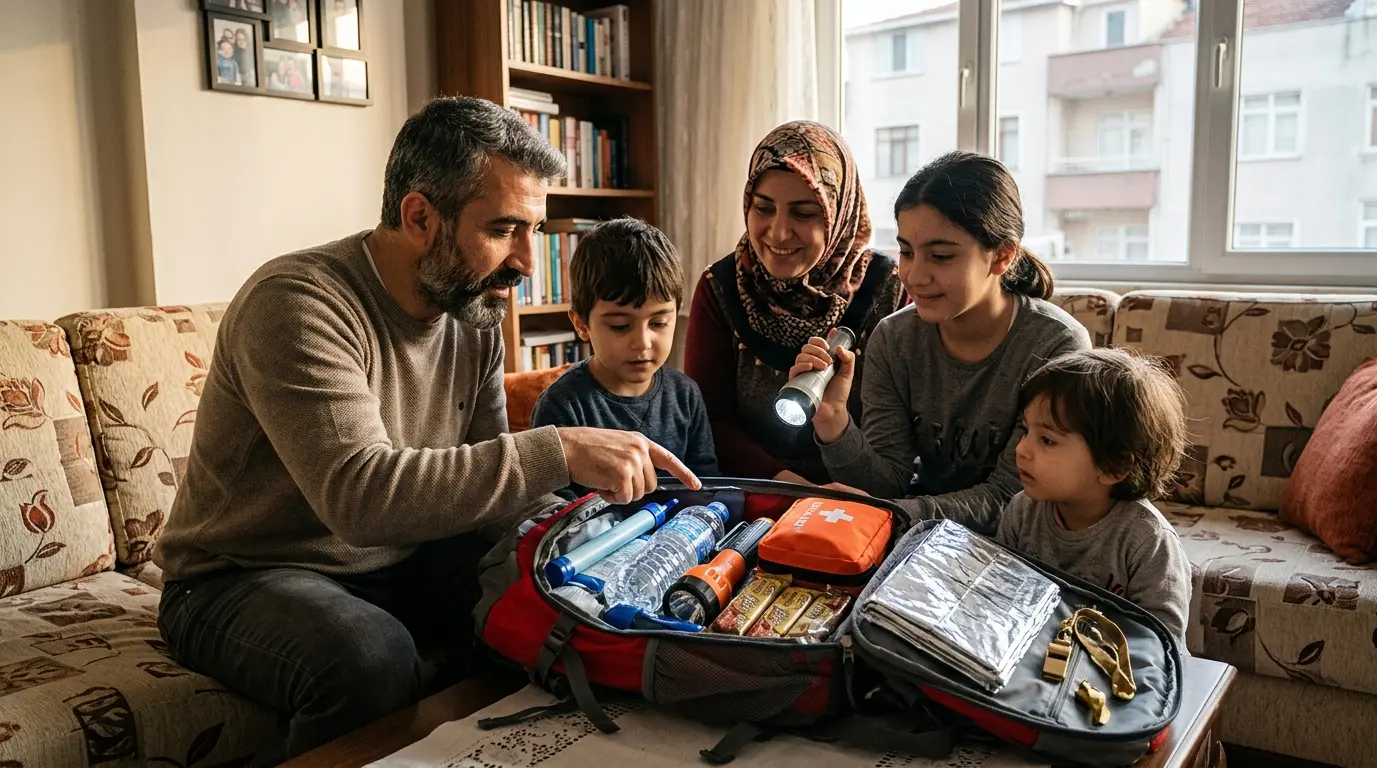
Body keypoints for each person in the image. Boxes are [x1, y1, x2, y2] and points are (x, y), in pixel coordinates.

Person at [153, 97, 700, 760]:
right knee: (369, 655)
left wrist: (596, 542)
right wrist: (559, 449)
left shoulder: (472, 312)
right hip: (241, 576)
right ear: (419, 217)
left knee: (551, 592)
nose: (528, 262)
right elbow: (361, 497)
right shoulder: (297, 303)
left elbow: (497, 492)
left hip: (400, 558)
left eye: (534, 230)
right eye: (504, 230)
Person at [793, 151, 1090, 532]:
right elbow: (888, 482)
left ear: (1002, 255)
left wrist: (896, 515)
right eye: (905, 251)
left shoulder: (1056, 346)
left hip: (1023, 545)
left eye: (941, 256)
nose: (914, 275)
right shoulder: (894, 338)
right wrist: (834, 424)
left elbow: (1013, 500)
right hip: (923, 539)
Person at [685, 121, 906, 485]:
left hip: (864, 495)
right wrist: (787, 484)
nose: (778, 232)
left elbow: (898, 439)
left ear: (839, 214)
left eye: (803, 213)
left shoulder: (889, 290)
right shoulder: (722, 287)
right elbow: (709, 419)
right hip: (754, 493)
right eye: (763, 208)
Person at [997, 348, 1193, 650]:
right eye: (1026, 431)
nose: (1022, 449)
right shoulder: (1022, 511)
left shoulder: (1148, 542)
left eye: (1047, 440)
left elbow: (1161, 647)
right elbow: (1000, 606)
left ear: (1112, 467)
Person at [532, 218, 719, 497]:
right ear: (581, 324)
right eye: (620, 326)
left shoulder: (685, 395)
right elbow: (553, 511)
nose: (642, 343)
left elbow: (706, 485)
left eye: (658, 323)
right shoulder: (562, 407)